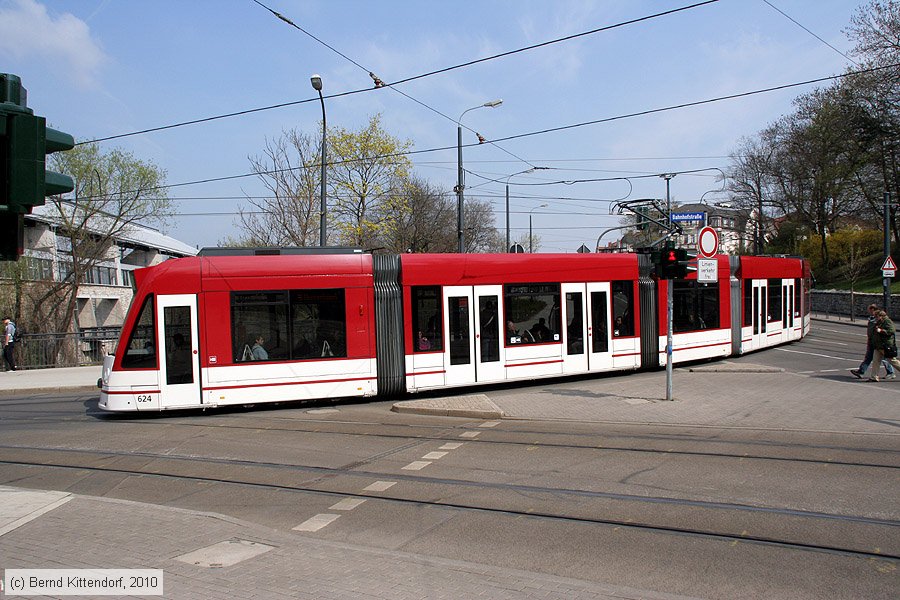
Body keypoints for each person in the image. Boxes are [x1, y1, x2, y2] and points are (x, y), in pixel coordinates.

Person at [851, 304, 895, 380]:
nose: (869, 312)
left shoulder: (885, 321)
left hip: (882, 343)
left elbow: (891, 331)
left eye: (870, 310)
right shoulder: (872, 318)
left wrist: (881, 331)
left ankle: (890, 372)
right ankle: (864, 373)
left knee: (887, 359)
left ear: (874, 310)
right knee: (872, 359)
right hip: (874, 342)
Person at [869, 310, 900, 382]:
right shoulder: (879, 321)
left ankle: (875, 376)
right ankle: (874, 377)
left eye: (876, 317)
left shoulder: (887, 321)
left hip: (885, 345)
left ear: (881, 316)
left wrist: (881, 330)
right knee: (876, 361)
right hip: (878, 346)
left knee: (892, 361)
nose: (876, 318)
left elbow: (892, 330)